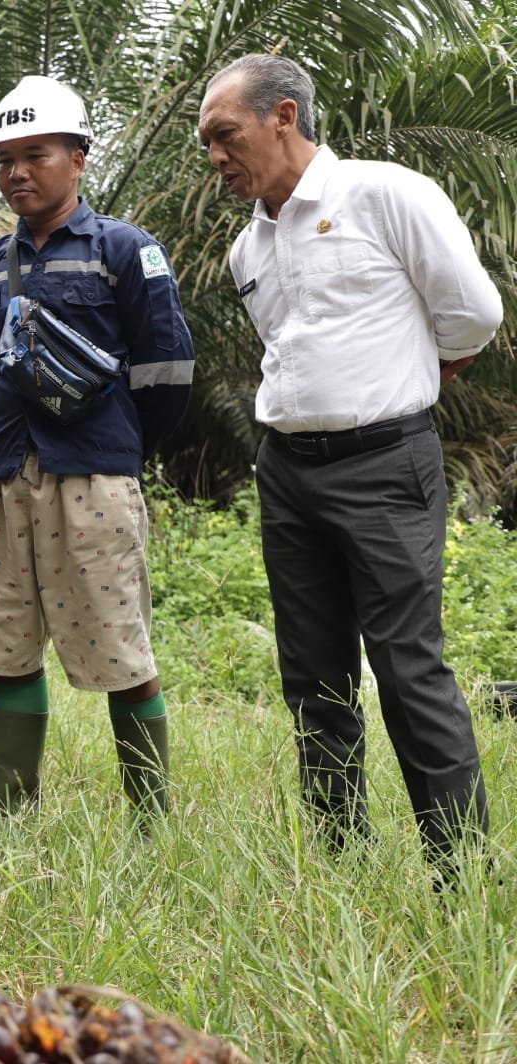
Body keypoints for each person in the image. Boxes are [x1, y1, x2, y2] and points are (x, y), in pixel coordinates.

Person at [198, 55, 502, 873]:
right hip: (288, 471)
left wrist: (410, 380)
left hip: (384, 463)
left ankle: (462, 869)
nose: (218, 158)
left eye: (226, 136)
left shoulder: (386, 194)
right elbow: (289, 351)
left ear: (284, 116)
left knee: (409, 669)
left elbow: (471, 315)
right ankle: (341, 859)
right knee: (313, 675)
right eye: (208, 144)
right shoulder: (245, 249)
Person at [0, 76, 194, 823]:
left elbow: (166, 372)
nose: (17, 171)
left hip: (93, 480)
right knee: (6, 650)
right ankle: (10, 820)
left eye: (36, 154)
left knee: (122, 651)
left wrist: (114, 447)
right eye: (5, 159)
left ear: (79, 157)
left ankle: (151, 823)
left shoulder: (125, 249)